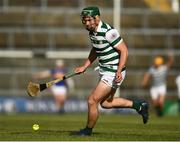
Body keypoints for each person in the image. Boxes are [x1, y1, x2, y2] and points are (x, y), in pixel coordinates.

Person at [74, 6, 149, 136]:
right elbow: (96, 49)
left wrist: (119, 71)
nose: (86, 23)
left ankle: (87, 130)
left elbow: (124, 50)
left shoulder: (108, 32)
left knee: (92, 101)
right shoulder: (92, 32)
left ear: (97, 18)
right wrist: (85, 65)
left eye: (89, 20)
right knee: (106, 103)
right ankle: (140, 106)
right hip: (105, 70)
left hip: (113, 71)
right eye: (84, 21)